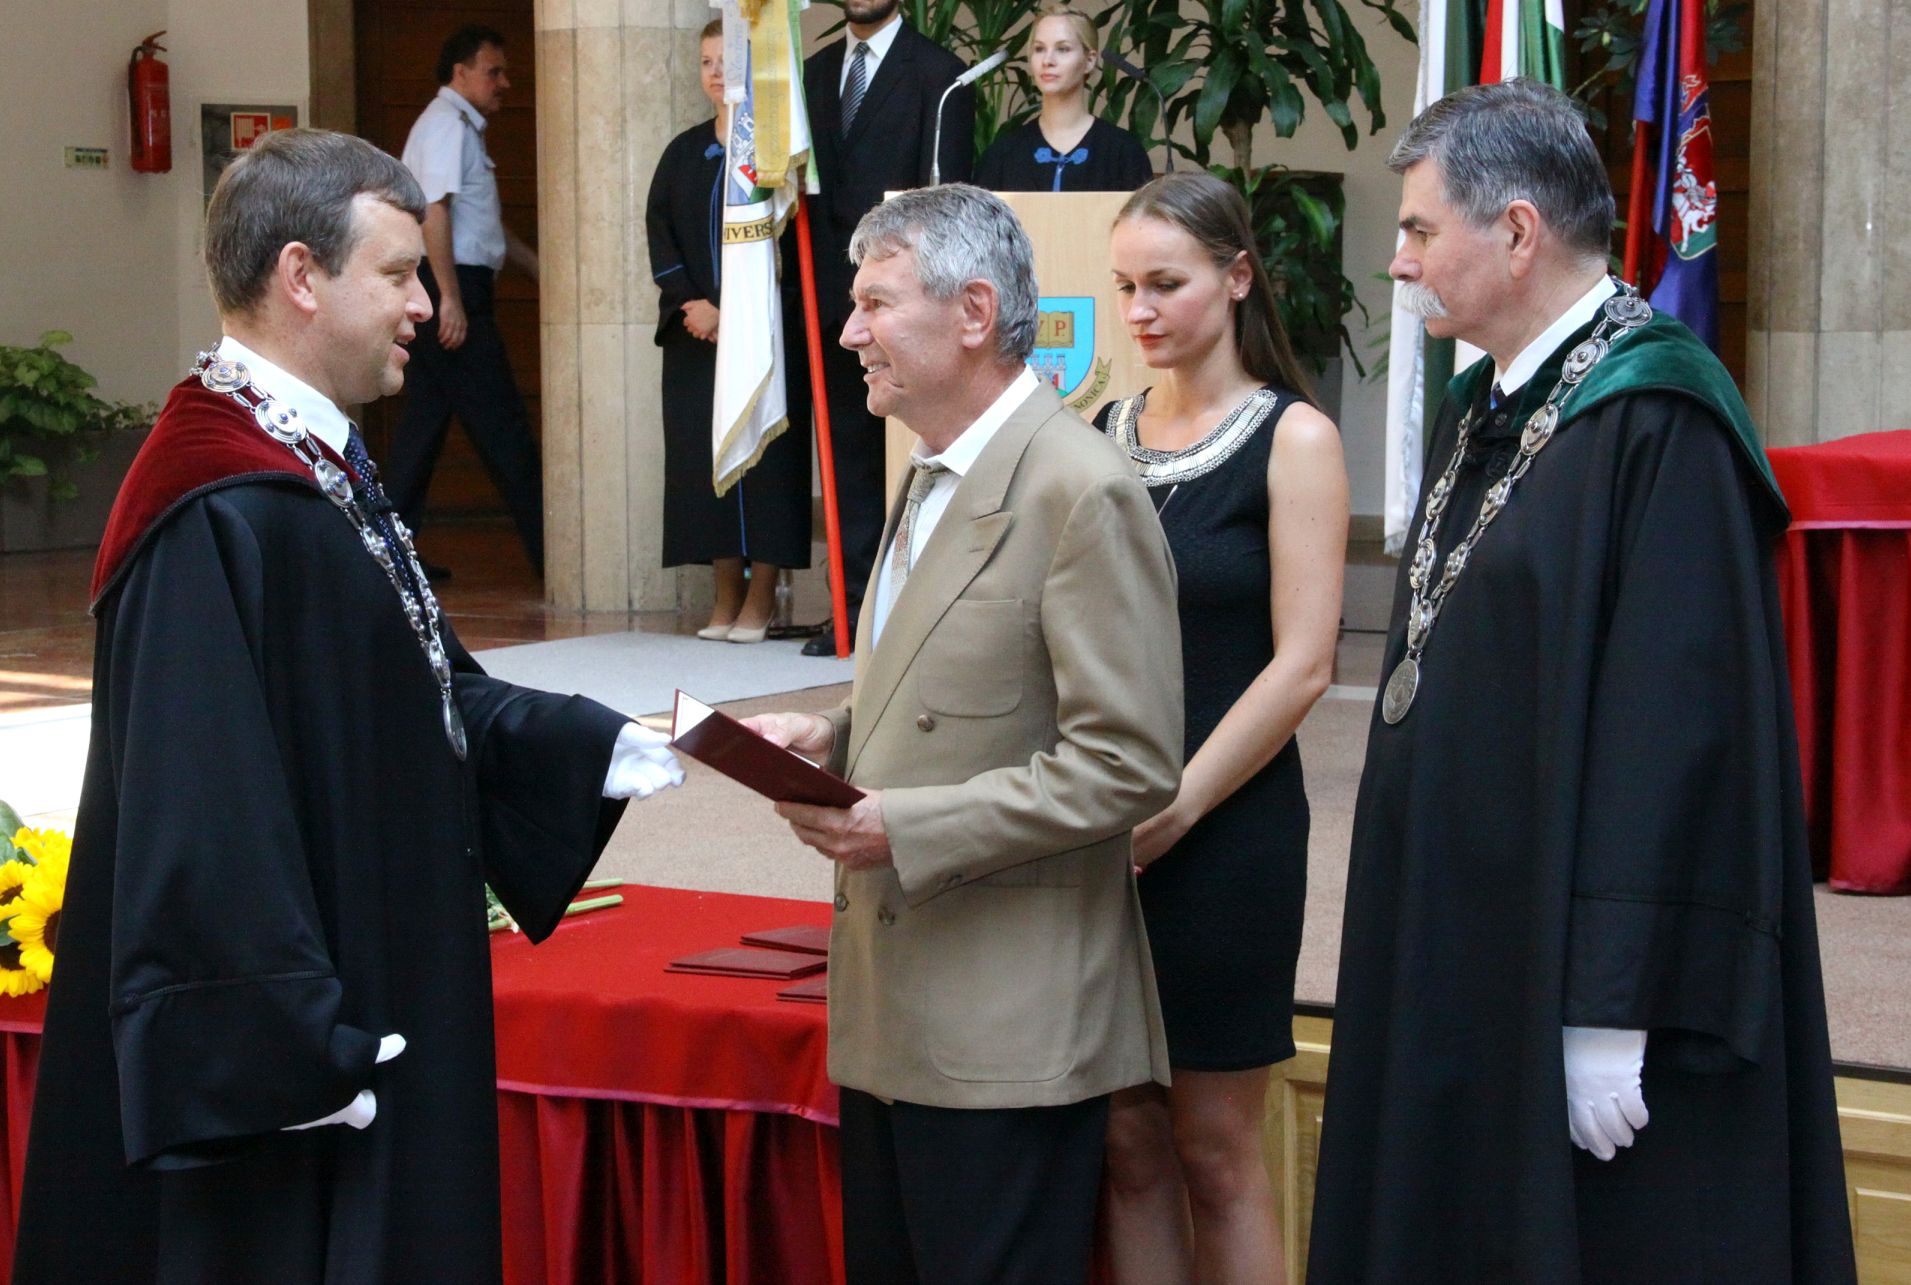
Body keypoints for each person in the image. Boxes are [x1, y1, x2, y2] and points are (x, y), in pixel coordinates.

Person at [11, 128, 684, 1283]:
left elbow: (411, 686)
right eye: (399, 272)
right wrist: (280, 1045)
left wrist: (589, 743)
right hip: (306, 1049)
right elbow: (201, 810)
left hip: (376, 960)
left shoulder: (308, 460)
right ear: (301, 277)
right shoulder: (213, 498)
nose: (425, 303)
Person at [1306, 79, 1856, 1281]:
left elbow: (1677, 736)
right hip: (1462, 934)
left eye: (1418, 229)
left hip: (1584, 971)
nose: (1398, 262)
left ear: (1515, 232)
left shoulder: (1660, 418)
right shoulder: (1483, 401)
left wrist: (1611, 1003)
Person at [745, 184, 1184, 1282]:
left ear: (974, 312)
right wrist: (834, 734)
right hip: (897, 1007)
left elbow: (1129, 763)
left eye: (875, 304)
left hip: (1006, 1025)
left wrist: (907, 825)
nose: (849, 333)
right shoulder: (932, 469)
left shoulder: (1078, 488)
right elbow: (956, 686)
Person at [1094, 172, 1345, 1284]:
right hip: (1101, 825)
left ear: (1237, 277)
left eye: (1165, 283)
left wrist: (1179, 803)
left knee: (1214, 1151)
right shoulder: (1100, 430)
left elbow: (1303, 665)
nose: (1139, 310)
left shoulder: (1294, 438)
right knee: (1127, 1142)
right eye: (1124, 287)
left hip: (1225, 825)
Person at [791, 0, 975, 655]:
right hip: (828, 304)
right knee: (846, 460)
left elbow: (947, 205)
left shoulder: (942, 75)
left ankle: (908, 611)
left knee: (910, 456)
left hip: (909, 305)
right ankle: (851, 610)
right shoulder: (808, 74)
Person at [647, 20, 810, 642]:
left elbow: (790, 252)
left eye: (728, 61)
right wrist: (692, 304)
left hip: (764, 338)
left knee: (768, 465)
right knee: (703, 461)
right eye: (707, 62)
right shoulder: (682, 152)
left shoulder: (775, 156)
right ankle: (724, 597)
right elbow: (660, 234)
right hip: (696, 337)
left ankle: (761, 599)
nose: (717, 73)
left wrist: (736, 314)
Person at [383, 23, 546, 576]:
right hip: (451, 288)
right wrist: (449, 298)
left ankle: (390, 559)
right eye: (493, 71)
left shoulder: (458, 127)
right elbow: (434, 211)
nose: (504, 83)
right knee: (504, 428)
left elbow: (482, 225)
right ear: (461, 72)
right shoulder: (446, 125)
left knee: (421, 431)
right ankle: (556, 556)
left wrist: (536, 268)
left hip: (451, 283)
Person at [974, 5, 1151, 193]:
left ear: (1089, 61)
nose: (1047, 60)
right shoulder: (1003, 154)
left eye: (1063, 49)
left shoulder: (1123, 152)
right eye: (1039, 49)